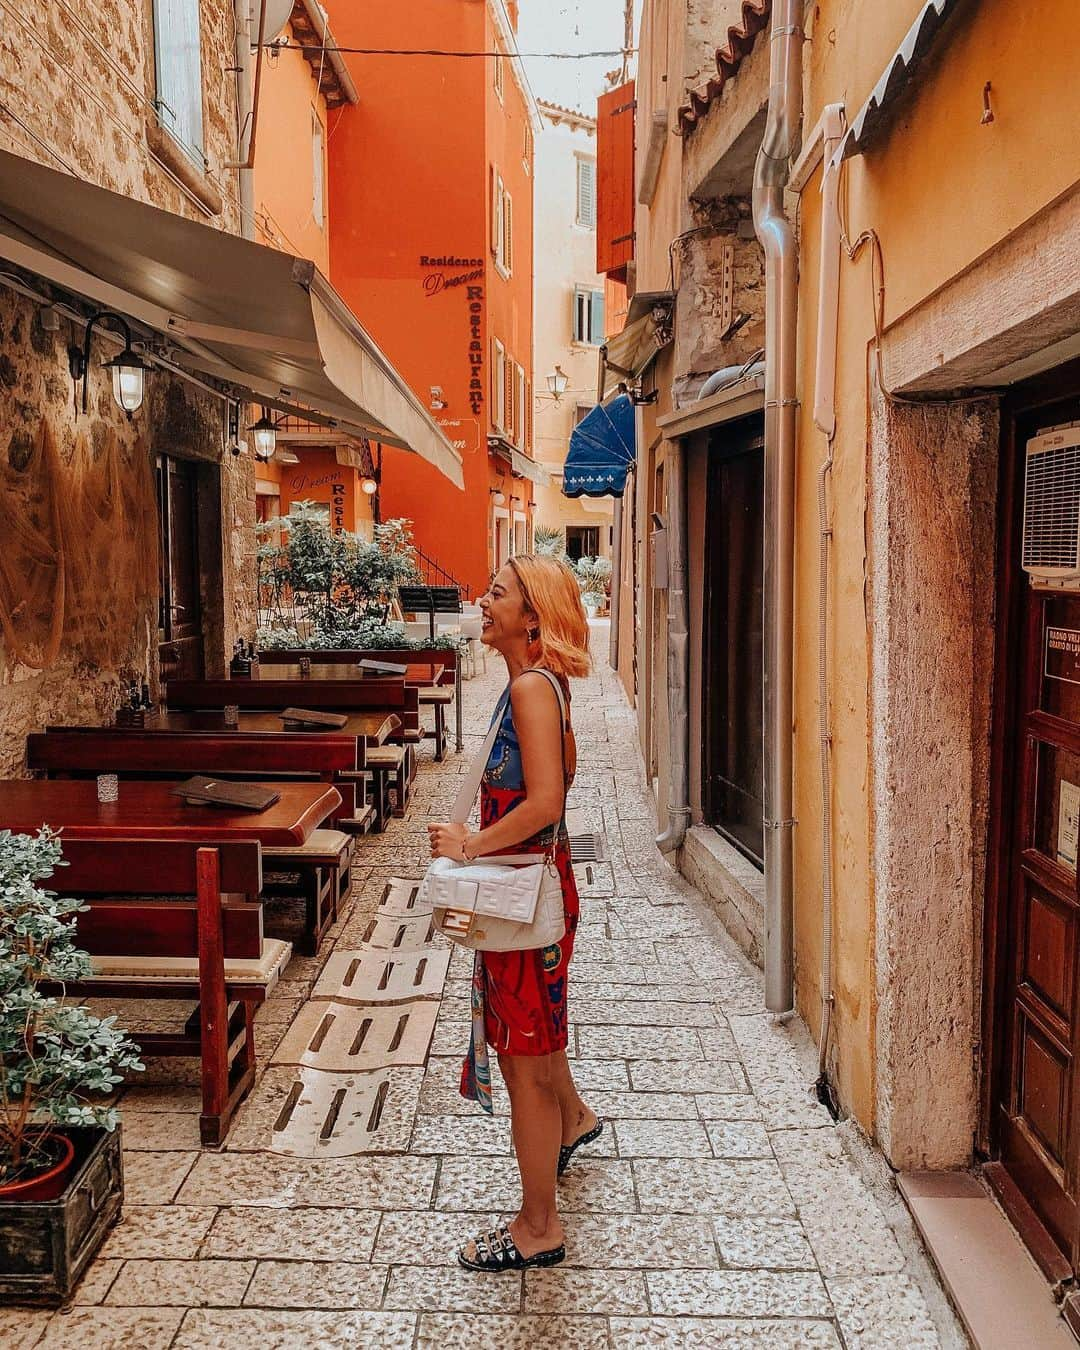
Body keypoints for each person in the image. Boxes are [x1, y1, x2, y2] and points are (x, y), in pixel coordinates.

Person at [427, 553, 602, 1273]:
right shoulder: (535, 684)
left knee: (524, 1062)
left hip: (522, 892)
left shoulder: (531, 689)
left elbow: (544, 805)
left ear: (531, 616)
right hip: (533, 890)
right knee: (539, 1039)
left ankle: (538, 1227)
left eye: (496, 593)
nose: (482, 600)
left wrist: (470, 844)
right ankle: (577, 1119)